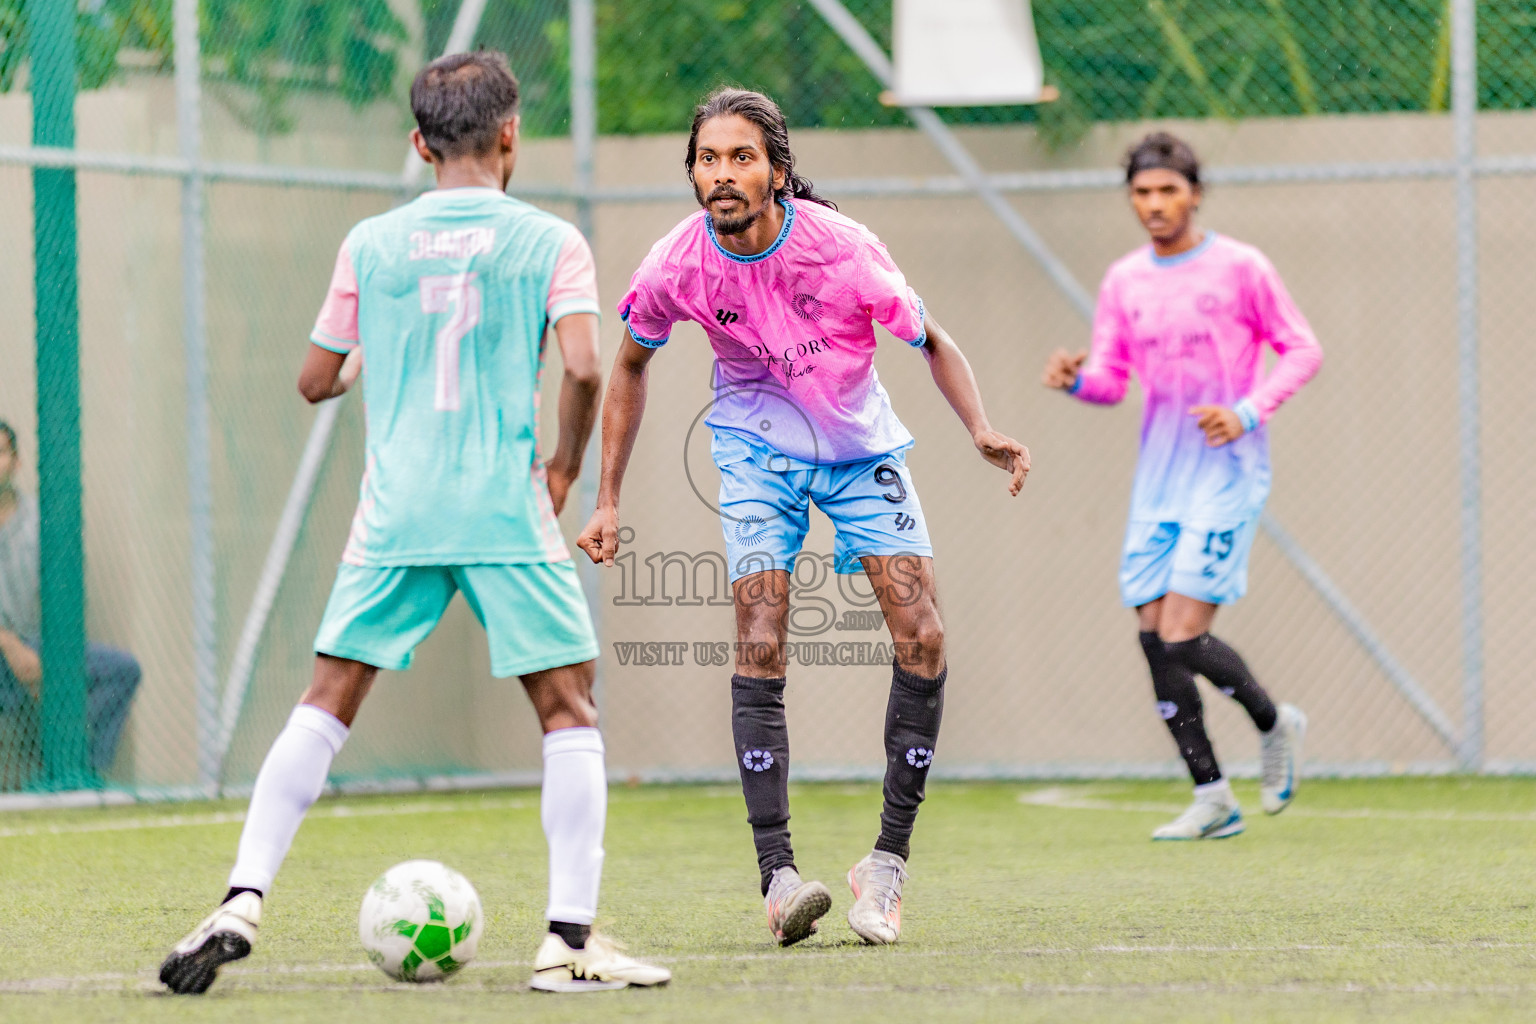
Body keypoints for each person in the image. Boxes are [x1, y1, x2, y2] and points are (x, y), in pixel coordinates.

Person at [159, 51, 668, 995]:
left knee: (326, 702)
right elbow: (589, 366)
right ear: (511, 133)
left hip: (397, 513)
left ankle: (240, 898)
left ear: (416, 140)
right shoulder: (551, 239)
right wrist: (562, 466)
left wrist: (366, 363)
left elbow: (316, 378)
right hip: (503, 507)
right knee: (570, 708)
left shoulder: (369, 242)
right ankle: (566, 944)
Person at [579, 88, 1028, 947]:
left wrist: (979, 429)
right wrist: (607, 498)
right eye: (707, 158)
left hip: (860, 445)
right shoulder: (677, 263)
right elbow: (628, 364)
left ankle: (886, 867)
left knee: (923, 635)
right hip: (755, 447)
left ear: (778, 172)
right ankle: (778, 878)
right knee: (760, 625)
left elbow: (932, 341)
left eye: (741, 157)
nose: (722, 174)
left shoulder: (845, 251)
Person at [1042, 132, 1322, 840]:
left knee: (1183, 632)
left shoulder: (1241, 268)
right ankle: (1213, 796)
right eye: (1142, 193)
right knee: (1152, 637)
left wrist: (1247, 410)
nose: (1155, 205)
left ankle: (1273, 721)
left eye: (1168, 190)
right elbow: (1112, 382)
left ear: (1195, 193)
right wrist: (1078, 380)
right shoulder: (1124, 281)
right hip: (1158, 480)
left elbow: (1303, 349)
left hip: (1227, 475)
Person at [0, 419, 141, 782]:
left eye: (0, 453)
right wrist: (11, 646)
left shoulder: (41, 520)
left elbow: (61, 595)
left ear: (16, 461)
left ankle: (74, 771)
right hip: (6, 652)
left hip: (39, 647)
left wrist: (44, 660)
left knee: (121, 671)